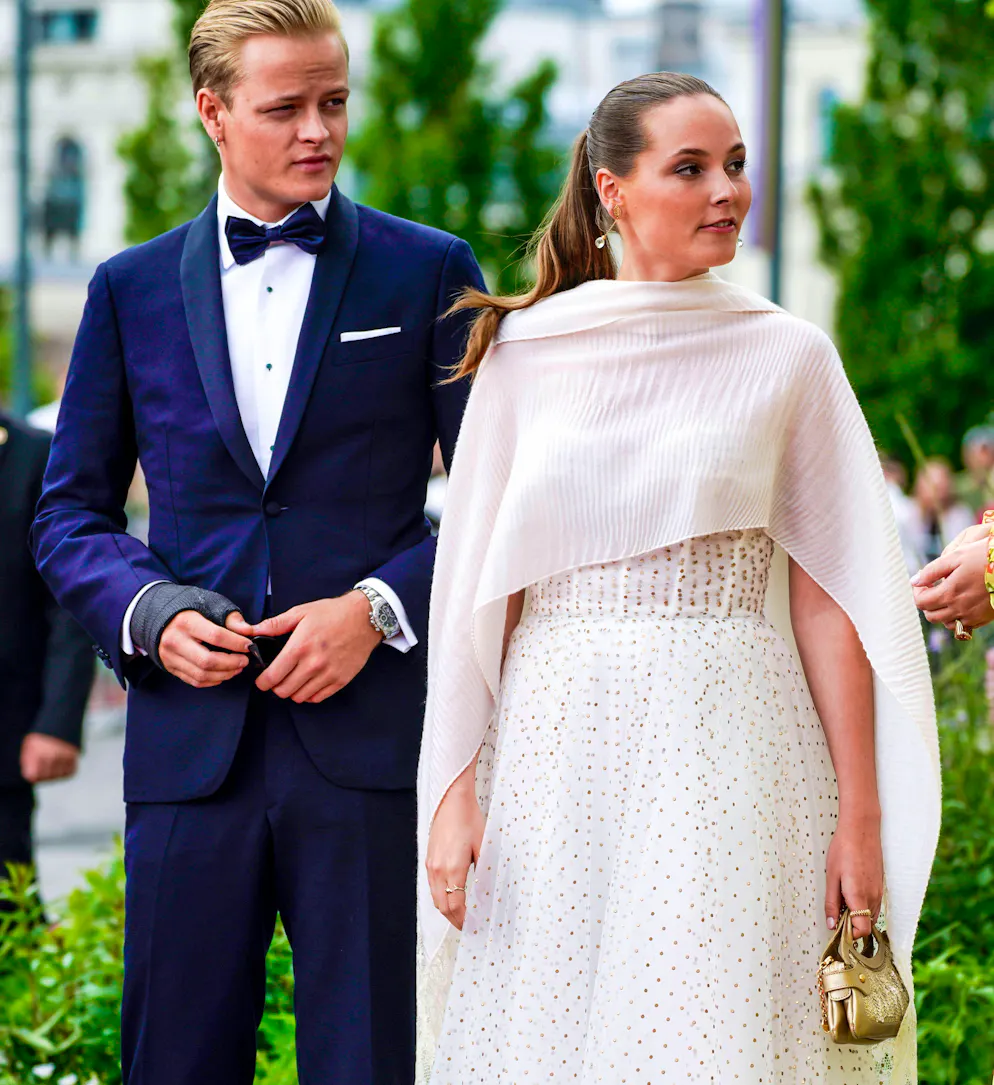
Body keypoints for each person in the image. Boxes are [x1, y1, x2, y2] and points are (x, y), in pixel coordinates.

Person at [417, 74, 939, 1083]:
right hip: (553, 753)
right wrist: (451, 793)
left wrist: (859, 816)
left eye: (736, 164)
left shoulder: (788, 355)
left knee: (713, 1036)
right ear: (611, 190)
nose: (726, 191)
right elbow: (479, 594)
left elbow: (831, 597)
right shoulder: (522, 354)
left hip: (734, 749)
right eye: (690, 167)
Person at [31, 0, 482, 1081]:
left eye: (334, 101)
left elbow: (496, 499)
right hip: (191, 753)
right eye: (286, 107)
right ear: (213, 113)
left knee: (369, 1058)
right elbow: (69, 513)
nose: (319, 129)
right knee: (175, 1061)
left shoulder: (428, 271)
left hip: (370, 746)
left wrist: (377, 608)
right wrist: (153, 611)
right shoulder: (127, 290)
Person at [0, 411, 93, 898]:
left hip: (6, 732)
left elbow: (68, 601)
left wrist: (56, 722)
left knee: (8, 917)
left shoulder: (35, 455)